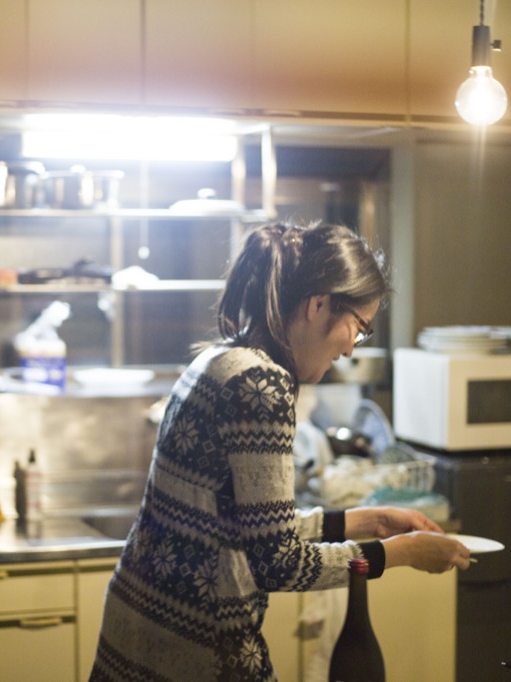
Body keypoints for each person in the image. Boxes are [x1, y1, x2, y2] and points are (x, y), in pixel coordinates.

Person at [89, 221, 471, 682]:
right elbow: (279, 563)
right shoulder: (262, 386)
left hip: (138, 628)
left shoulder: (218, 359)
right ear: (318, 305)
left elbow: (245, 527)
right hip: (196, 649)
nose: (351, 348)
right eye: (358, 327)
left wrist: (365, 521)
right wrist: (402, 552)